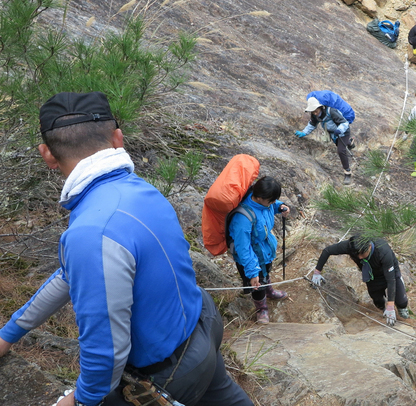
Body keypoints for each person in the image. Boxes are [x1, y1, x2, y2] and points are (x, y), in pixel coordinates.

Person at [0, 92, 252, 406]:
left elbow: (107, 350)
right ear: (118, 138)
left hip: (167, 375)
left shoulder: (93, 230)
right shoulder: (140, 190)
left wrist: (81, 400)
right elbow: (70, 275)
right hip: (201, 327)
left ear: (47, 155)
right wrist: (9, 333)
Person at [229, 176, 291, 324]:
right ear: (260, 197)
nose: (273, 203)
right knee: (257, 285)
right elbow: (243, 248)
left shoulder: (265, 203)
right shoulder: (242, 218)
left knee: (266, 273)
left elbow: (269, 208)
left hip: (264, 250)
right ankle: (261, 309)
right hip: (250, 257)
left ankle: (269, 291)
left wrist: (281, 206)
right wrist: (252, 271)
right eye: (272, 200)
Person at [311, 236, 409, 326]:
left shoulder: (383, 251)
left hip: (390, 273)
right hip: (372, 275)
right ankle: (384, 311)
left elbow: (391, 280)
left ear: (369, 247)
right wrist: (317, 272)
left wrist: (391, 306)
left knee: (401, 302)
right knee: (377, 301)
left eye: (362, 254)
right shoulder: (352, 246)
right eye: (357, 255)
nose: (360, 258)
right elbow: (327, 251)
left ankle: (402, 310)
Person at [294, 96, 356, 185]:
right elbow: (312, 124)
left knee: (341, 150)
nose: (315, 113)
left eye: (316, 111)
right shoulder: (315, 115)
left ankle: (347, 173)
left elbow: (344, 123)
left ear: (320, 107)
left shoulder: (331, 111)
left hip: (343, 131)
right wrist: (304, 132)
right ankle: (350, 143)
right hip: (333, 133)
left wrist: (340, 130)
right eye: (313, 111)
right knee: (341, 145)